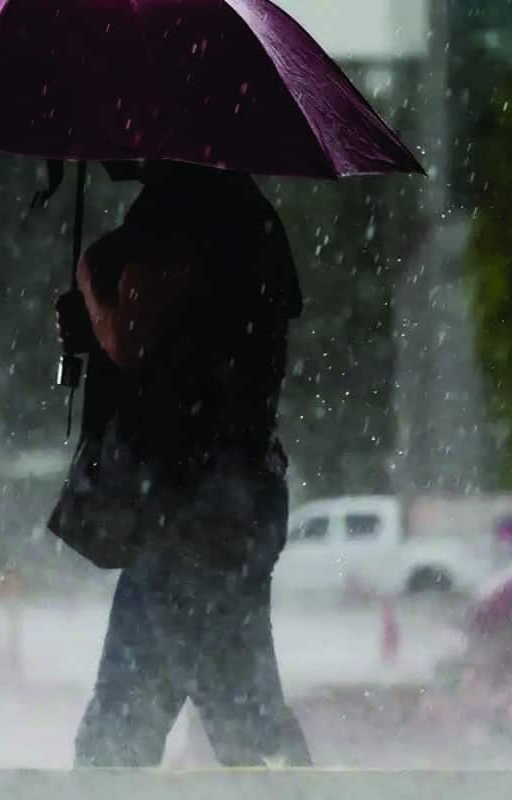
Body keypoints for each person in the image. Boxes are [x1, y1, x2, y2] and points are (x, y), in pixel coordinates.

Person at [52, 160, 312, 767]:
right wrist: (94, 322)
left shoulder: (189, 208)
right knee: (218, 717)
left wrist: (92, 280)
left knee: (154, 729)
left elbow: (132, 336)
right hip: (212, 505)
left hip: (189, 509)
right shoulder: (230, 208)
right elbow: (174, 343)